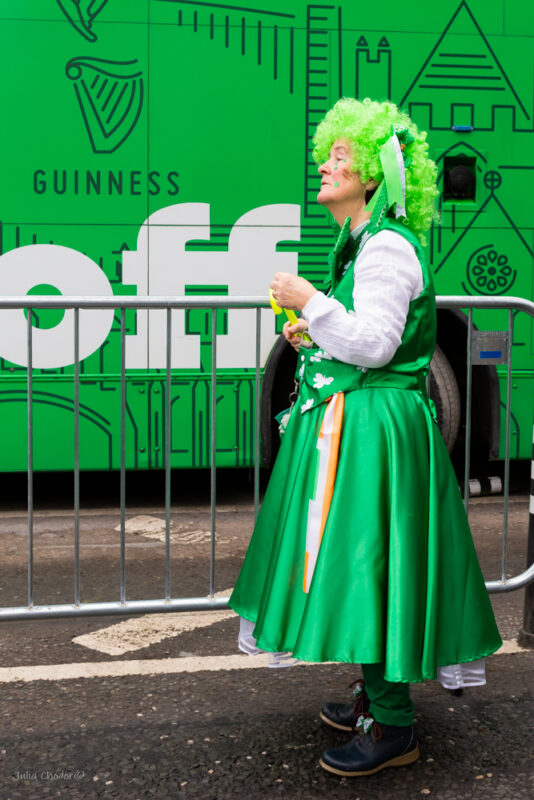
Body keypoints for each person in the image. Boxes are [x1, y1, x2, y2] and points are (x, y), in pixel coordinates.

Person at [228, 97, 502, 777]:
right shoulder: (367, 241)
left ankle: (393, 723)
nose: (325, 164)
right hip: (365, 425)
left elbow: (378, 345)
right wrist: (314, 328)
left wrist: (308, 301)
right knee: (365, 567)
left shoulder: (384, 247)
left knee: (370, 567)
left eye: (341, 156)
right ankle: (376, 698)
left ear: (376, 174)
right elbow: (365, 337)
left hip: (373, 429)